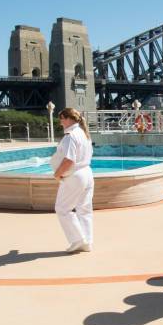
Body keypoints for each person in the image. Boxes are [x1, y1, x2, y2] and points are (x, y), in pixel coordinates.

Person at [51, 108, 94, 253]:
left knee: (62, 209)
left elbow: (69, 160)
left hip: (75, 175)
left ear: (68, 118)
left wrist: (57, 174)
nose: (60, 122)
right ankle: (87, 242)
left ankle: (77, 240)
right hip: (87, 173)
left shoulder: (70, 136)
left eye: (62, 118)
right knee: (84, 209)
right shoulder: (83, 133)